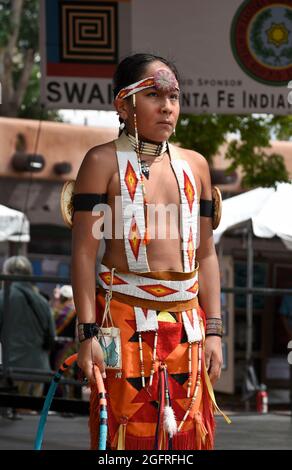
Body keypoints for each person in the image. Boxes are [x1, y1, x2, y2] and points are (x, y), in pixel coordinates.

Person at [71, 53, 227, 450]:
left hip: (188, 326)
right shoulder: (101, 161)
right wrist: (87, 333)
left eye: (174, 96)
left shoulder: (196, 166)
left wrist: (214, 330)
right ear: (123, 104)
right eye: (154, 94)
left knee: (189, 434)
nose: (167, 106)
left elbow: (206, 254)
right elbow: (84, 255)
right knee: (125, 431)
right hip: (119, 321)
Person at [0, 256, 55, 397]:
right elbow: (51, 336)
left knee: (12, 413)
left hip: (11, 369)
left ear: (9, 274)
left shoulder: (3, 297)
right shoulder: (42, 301)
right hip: (38, 370)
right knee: (32, 414)